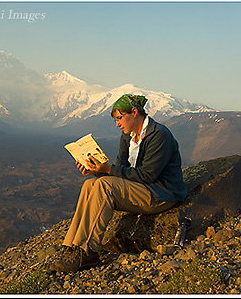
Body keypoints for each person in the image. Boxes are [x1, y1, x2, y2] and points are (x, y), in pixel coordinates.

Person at [52, 94, 188, 273]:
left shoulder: (159, 135)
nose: (117, 124)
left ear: (134, 112)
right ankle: (71, 246)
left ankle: (88, 251)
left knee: (104, 186)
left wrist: (108, 170)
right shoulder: (127, 136)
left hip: (161, 194)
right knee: (89, 185)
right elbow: (121, 170)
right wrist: (96, 171)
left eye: (119, 118)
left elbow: (148, 175)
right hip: (142, 189)